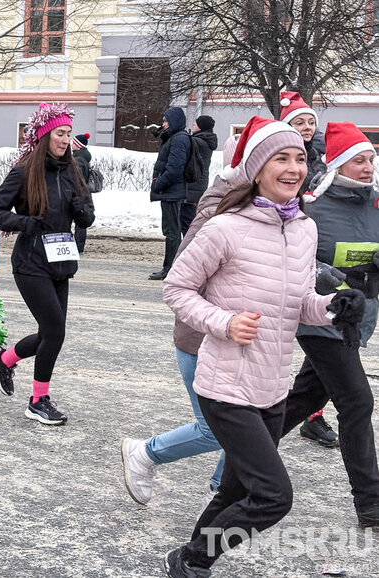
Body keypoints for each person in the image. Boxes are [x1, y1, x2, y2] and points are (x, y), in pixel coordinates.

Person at [160, 116, 363, 577]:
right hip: (226, 386)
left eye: (299, 158)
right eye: (280, 159)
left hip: (272, 388)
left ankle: (187, 562)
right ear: (256, 169)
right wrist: (224, 322)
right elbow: (176, 289)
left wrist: (333, 307)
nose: (293, 168)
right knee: (273, 496)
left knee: (235, 492)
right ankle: (195, 558)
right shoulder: (224, 228)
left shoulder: (304, 229)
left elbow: (299, 304)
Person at [121, 137, 245, 507]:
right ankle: (146, 453)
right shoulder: (217, 215)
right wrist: (220, 322)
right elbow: (180, 283)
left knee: (253, 424)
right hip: (202, 340)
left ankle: (221, 490)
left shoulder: (269, 215)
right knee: (217, 430)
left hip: (247, 342)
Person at [279, 121, 379, 529]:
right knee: (357, 402)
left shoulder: (376, 204)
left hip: (360, 320)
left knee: (305, 398)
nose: (368, 167)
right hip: (320, 319)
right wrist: (328, 277)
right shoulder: (312, 208)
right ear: (339, 165)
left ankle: (242, 454)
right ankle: (371, 505)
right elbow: (293, 259)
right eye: (359, 160)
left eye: (371, 159)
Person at [0, 102, 95, 426]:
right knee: (54, 331)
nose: (65, 139)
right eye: (60, 133)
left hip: (61, 262)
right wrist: (28, 223)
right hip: (31, 262)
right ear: (45, 135)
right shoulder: (24, 172)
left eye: (68, 133)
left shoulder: (73, 171)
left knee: (52, 333)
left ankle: (5, 359)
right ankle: (38, 401)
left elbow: (87, 217)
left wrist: (80, 208)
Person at [277, 91, 337, 446]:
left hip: (322, 250)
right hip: (292, 254)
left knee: (327, 343)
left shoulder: (322, 159)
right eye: (299, 122)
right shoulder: (278, 161)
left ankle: (311, 415)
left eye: (311, 121)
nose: (307, 127)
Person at [149, 107, 191, 281]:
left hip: (171, 192)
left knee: (172, 232)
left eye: (166, 120)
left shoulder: (179, 139)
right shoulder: (175, 137)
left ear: (174, 121)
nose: (163, 124)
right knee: (172, 231)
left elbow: (174, 168)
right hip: (170, 191)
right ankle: (171, 267)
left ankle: (170, 268)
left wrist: (159, 184)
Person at [181, 115, 218, 235]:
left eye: (196, 123)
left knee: (187, 221)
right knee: (189, 218)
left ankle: (190, 242)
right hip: (197, 184)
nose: (193, 124)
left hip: (193, 185)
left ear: (202, 126)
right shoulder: (204, 140)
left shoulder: (199, 142)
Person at [71, 132, 93, 253]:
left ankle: (78, 247)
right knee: (81, 219)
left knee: (79, 220)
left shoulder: (78, 160)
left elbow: (76, 178)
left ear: (78, 145)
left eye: (73, 143)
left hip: (79, 193)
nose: (71, 145)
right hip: (83, 192)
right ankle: (78, 246)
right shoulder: (83, 157)